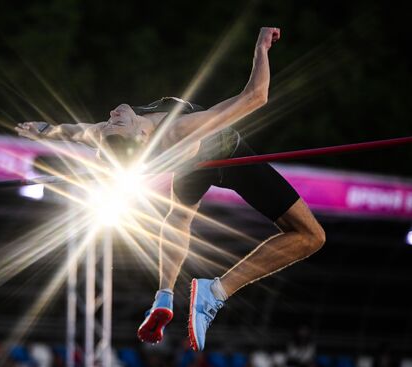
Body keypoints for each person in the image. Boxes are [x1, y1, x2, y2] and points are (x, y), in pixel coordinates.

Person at [16, 27, 325, 351]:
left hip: (193, 169)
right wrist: (261, 48)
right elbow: (256, 96)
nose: (111, 116)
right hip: (227, 154)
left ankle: (163, 296)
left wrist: (44, 130)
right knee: (312, 236)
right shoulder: (177, 129)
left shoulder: (113, 134)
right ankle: (215, 292)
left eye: (109, 122)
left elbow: (76, 132)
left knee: (178, 219)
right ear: (140, 139)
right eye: (116, 122)